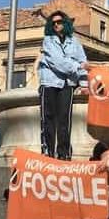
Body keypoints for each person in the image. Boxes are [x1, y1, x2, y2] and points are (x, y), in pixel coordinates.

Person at [37, 10, 89, 161]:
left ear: (65, 23)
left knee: (64, 120)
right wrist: (78, 66)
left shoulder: (75, 42)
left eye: (59, 22)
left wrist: (84, 84)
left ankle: (64, 155)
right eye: (53, 23)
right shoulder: (48, 40)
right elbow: (58, 62)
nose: (56, 25)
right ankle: (48, 154)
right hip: (49, 82)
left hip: (68, 84)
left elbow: (83, 61)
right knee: (48, 119)